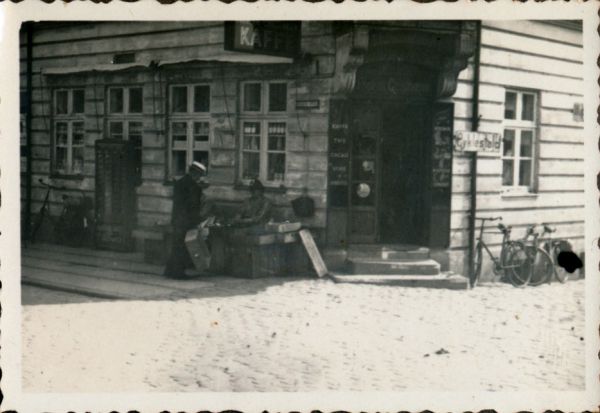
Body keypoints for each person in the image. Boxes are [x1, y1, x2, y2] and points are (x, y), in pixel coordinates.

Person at [163, 161, 212, 279]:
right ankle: (178, 273)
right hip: (186, 221)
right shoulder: (194, 187)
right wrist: (197, 221)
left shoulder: (179, 183)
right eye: (199, 175)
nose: (200, 177)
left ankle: (169, 270)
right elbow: (193, 206)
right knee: (183, 247)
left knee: (177, 245)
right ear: (195, 173)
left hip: (177, 220)